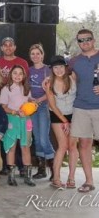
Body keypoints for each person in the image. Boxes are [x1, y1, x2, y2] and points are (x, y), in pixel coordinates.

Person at [68, 29, 99, 193]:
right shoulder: (74, 62)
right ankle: (89, 181)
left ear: (93, 40)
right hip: (80, 107)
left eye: (88, 39)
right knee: (84, 144)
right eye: (81, 40)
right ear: (77, 42)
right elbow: (65, 80)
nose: (84, 42)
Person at [0, 65, 36, 187]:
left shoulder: (26, 88)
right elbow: (3, 107)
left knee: (26, 147)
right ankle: (11, 176)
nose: (18, 76)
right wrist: (14, 112)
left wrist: (33, 104)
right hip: (12, 120)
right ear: (11, 75)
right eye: (15, 73)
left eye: (20, 73)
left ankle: (28, 176)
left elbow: (29, 102)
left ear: (24, 76)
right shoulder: (6, 89)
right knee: (11, 147)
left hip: (25, 120)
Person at [45, 55, 78, 189]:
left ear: (66, 67)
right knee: (63, 146)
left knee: (73, 146)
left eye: (61, 66)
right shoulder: (49, 83)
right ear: (52, 69)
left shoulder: (72, 77)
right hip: (58, 115)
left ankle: (71, 177)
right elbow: (52, 106)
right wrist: (65, 121)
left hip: (74, 114)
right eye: (55, 67)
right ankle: (56, 178)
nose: (58, 70)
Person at [28, 43, 54, 180]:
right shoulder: (29, 70)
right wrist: (30, 99)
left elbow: (52, 91)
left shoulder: (48, 70)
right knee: (37, 139)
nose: (35, 56)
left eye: (38, 53)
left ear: (42, 55)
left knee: (44, 139)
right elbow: (26, 88)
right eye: (33, 54)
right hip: (32, 107)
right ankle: (41, 169)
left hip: (43, 106)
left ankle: (54, 169)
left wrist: (39, 100)